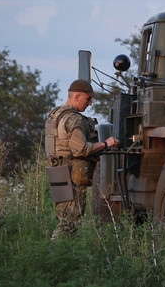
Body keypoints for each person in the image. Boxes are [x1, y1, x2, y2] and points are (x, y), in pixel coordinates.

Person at [44, 79, 119, 240]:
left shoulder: (55, 115)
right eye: (88, 99)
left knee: (63, 218)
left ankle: (59, 251)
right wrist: (106, 143)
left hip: (57, 172)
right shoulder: (74, 119)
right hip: (71, 175)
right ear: (77, 96)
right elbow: (81, 149)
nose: (90, 103)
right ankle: (55, 251)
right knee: (70, 223)